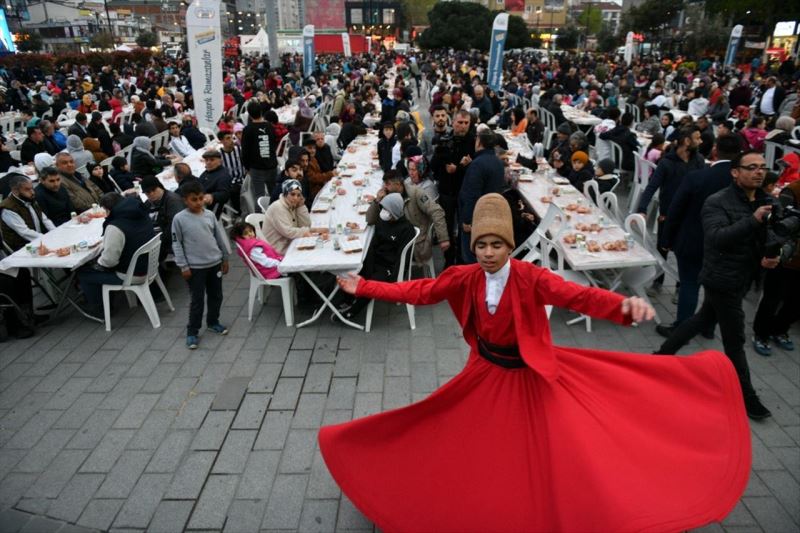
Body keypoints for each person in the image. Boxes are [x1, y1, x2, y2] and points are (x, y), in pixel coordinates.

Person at [322, 193, 750, 533]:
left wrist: (623, 307)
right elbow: (420, 292)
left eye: (498, 245)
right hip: (485, 371)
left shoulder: (532, 278)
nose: (489, 253)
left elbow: (579, 296)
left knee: (553, 452)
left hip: (529, 374)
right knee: (459, 435)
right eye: (482, 245)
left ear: (510, 245)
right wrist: (365, 288)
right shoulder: (464, 277)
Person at [655, 151, 776, 420]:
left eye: (762, 167)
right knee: (735, 342)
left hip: (744, 277)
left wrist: (776, 255)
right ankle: (748, 398)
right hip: (721, 279)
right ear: (735, 172)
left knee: (702, 318)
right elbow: (718, 237)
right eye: (752, 167)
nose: (759, 172)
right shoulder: (717, 201)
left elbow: (776, 237)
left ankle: (661, 357)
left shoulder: (767, 200)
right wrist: (753, 219)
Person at [660, 135, 742, 336]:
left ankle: (682, 327)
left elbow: (676, 210)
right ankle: (708, 326)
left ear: (715, 150)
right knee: (715, 287)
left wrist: (667, 239)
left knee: (689, 283)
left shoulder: (697, 177)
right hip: (727, 243)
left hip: (693, 240)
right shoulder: (740, 181)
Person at [638, 126, 706, 292]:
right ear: (687, 141)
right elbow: (652, 186)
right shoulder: (667, 163)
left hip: (690, 213)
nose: (701, 141)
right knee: (662, 248)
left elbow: (703, 185)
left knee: (683, 252)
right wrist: (642, 208)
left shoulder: (699, 161)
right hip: (667, 213)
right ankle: (658, 281)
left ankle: (680, 286)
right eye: (697, 138)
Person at [335, 192, 417, 320]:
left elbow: (403, 258)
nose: (383, 211)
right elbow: (374, 241)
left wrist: (395, 278)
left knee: (371, 285)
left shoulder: (406, 230)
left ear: (394, 211)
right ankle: (346, 299)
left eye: (386, 209)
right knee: (354, 270)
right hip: (376, 259)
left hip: (389, 267)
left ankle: (352, 312)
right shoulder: (383, 221)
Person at [171, 180, 230, 350]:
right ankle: (192, 332)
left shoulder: (209, 215)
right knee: (197, 300)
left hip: (214, 264)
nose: (198, 202)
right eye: (193, 199)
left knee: (216, 295)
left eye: (200, 198)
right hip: (195, 268)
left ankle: (213, 322)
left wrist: (224, 258)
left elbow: (218, 237)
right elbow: (177, 244)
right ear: (185, 200)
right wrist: (183, 266)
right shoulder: (179, 219)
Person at [77, 193, 156, 319]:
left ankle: (100, 309)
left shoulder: (116, 226)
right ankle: (104, 301)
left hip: (133, 274)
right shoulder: (140, 212)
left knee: (83, 272)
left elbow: (109, 261)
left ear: (108, 210)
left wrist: (97, 263)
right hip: (150, 266)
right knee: (96, 265)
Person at [751, 179, 799, 356]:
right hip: (785, 257)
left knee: (795, 302)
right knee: (772, 297)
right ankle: (761, 333)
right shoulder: (793, 190)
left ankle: (779, 329)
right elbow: (780, 223)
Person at [367, 170, 448, 265]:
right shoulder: (387, 195)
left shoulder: (416, 193)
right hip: (394, 238)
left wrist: (443, 238)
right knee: (371, 249)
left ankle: (390, 276)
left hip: (414, 243)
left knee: (377, 256)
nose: (385, 187)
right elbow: (370, 220)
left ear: (398, 184)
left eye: (388, 184)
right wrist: (377, 200)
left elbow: (436, 211)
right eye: (384, 183)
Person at [431, 109, 475, 267]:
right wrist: (444, 164)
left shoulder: (473, 142)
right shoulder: (444, 140)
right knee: (448, 229)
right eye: (460, 123)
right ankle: (448, 262)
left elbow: (477, 170)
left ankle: (462, 262)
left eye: (466, 123)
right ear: (453, 123)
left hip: (465, 192)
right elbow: (433, 167)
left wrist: (461, 168)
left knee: (465, 229)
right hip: (447, 191)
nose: (463, 126)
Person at [459, 130, 506, 264]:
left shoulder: (478, 165)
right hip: (492, 216)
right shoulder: (497, 162)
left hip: (476, 220)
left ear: (479, 142)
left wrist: (467, 220)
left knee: (472, 259)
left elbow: (472, 195)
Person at [0, 174, 56, 252]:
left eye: (32, 188)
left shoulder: (29, 198)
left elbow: (44, 219)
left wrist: (55, 232)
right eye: (27, 189)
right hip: (22, 248)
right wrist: (46, 238)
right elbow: (24, 232)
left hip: (37, 240)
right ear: (15, 191)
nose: (32, 192)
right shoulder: (8, 209)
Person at [241, 100, 278, 207]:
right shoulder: (270, 127)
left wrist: (247, 167)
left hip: (257, 167)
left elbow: (245, 151)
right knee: (274, 194)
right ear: (261, 112)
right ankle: (277, 215)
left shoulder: (248, 130)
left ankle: (260, 219)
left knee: (259, 197)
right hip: (271, 165)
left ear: (249, 114)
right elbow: (273, 144)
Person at [262, 178, 314, 255]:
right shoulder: (278, 207)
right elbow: (288, 232)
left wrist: (301, 206)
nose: (296, 198)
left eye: (298, 195)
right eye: (292, 194)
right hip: (276, 250)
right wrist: (305, 231)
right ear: (285, 194)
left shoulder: (293, 204)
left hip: (290, 243)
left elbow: (306, 225)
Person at [141, 176, 183, 261]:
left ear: (160, 187)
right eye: (148, 192)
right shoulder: (149, 202)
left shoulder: (172, 201)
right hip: (155, 235)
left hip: (170, 240)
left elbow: (174, 227)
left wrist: (157, 241)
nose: (151, 194)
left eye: (154, 190)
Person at [197, 149, 232, 216]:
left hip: (208, 208)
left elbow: (224, 194)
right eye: (206, 160)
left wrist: (212, 196)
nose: (208, 162)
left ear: (220, 161)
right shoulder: (208, 171)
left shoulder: (223, 176)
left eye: (212, 160)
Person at [218, 131, 245, 213]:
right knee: (233, 191)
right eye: (228, 138)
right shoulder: (219, 155)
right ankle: (238, 212)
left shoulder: (239, 149)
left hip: (243, 178)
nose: (231, 141)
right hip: (230, 181)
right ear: (221, 141)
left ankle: (240, 211)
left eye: (232, 138)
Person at [303, 136, 336, 201]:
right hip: (314, 193)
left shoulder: (313, 158)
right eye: (310, 148)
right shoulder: (305, 162)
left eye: (314, 148)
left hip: (320, 186)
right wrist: (330, 174)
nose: (313, 150)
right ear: (304, 149)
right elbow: (314, 178)